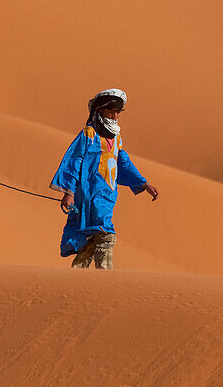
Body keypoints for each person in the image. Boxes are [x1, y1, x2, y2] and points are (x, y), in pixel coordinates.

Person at [50, 89, 159, 269]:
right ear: (100, 111)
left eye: (117, 112)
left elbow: (123, 163)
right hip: (87, 195)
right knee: (105, 235)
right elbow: (73, 161)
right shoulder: (89, 134)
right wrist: (68, 192)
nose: (114, 115)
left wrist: (143, 183)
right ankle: (104, 281)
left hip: (107, 195)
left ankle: (76, 278)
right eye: (111, 111)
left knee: (91, 239)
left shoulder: (116, 138)